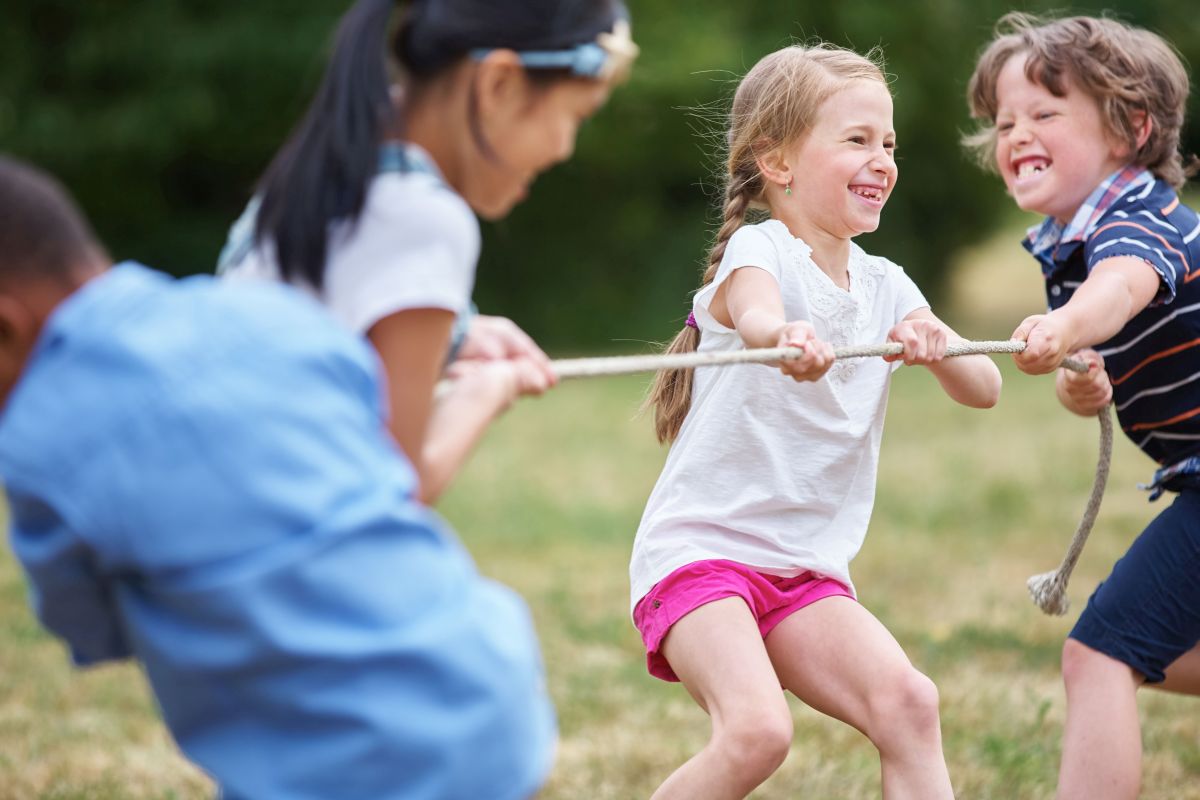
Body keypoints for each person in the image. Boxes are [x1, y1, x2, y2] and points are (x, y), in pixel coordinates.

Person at [0, 155, 557, 800]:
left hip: (337, 762)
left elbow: (88, 626)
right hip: (493, 693)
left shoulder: (41, 440)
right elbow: (375, 453)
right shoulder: (266, 316)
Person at [632, 44, 1002, 800]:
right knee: (758, 732)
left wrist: (939, 347)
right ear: (778, 161)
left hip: (804, 571)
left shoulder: (886, 283)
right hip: (703, 557)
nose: (883, 159)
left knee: (910, 705)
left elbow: (985, 386)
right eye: (858, 140)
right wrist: (782, 341)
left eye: (889, 143)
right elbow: (759, 313)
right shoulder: (756, 250)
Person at [219, 0, 638, 504]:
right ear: (498, 84)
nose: (564, 148)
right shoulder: (425, 217)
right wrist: (483, 395)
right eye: (576, 115)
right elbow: (387, 495)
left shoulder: (333, 166)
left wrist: (458, 334)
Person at [965, 13, 1200, 800]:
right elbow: (1100, 361)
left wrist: (1065, 324)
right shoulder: (1068, 241)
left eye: (1044, 113)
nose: (1016, 133)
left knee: (1099, 654)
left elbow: (1123, 286)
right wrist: (1082, 382)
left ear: (1131, 128)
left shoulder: (1135, 215)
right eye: (1004, 121)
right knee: (1158, 652)